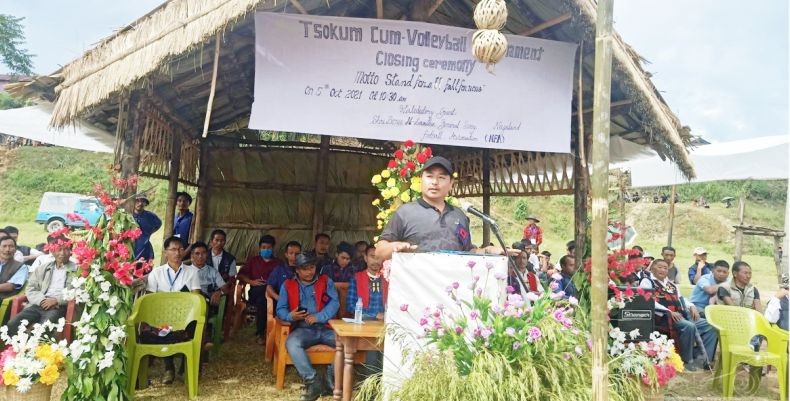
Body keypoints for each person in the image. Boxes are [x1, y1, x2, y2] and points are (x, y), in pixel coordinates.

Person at [376, 156, 510, 260]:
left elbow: (467, 252)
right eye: (429, 176)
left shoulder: (459, 216)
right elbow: (379, 251)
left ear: (451, 183)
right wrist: (393, 247)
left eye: (441, 177)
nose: (434, 182)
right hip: (416, 291)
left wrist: (488, 251)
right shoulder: (404, 212)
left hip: (451, 290)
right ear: (421, 179)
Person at [275, 253, 339, 401]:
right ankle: (313, 381)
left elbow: (334, 303)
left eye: (312, 267)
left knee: (346, 343)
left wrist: (319, 317)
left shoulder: (325, 281)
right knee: (292, 342)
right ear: (297, 270)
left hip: (326, 327)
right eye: (305, 269)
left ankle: (331, 378)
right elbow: (280, 309)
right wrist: (291, 316)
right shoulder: (288, 285)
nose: (310, 271)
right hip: (303, 329)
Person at [639, 259, 717, 371]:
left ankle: (703, 359)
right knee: (689, 326)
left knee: (710, 326)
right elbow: (647, 301)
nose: (663, 270)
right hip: (663, 317)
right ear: (652, 268)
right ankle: (687, 360)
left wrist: (691, 306)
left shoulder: (671, 284)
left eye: (665, 268)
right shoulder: (647, 282)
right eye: (660, 267)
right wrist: (668, 311)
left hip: (680, 314)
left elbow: (681, 299)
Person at [146, 236, 202, 384]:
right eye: (173, 249)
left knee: (194, 325)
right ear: (166, 252)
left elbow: (196, 297)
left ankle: (186, 366)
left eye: (181, 249)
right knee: (163, 328)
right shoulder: (156, 273)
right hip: (163, 316)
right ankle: (169, 368)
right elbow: (150, 299)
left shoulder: (192, 272)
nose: (177, 253)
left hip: (186, 315)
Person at [5, 235, 75, 335]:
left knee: (43, 328)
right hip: (38, 304)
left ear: (71, 251)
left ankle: (38, 350)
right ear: (52, 251)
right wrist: (42, 300)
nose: (62, 253)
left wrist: (56, 300)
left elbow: (76, 291)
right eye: (59, 250)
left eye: (66, 249)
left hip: (58, 307)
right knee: (13, 324)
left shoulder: (76, 270)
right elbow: (31, 288)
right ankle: (21, 349)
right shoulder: (43, 268)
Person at [239, 234, 283, 345]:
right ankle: (264, 332)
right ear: (259, 248)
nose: (266, 250)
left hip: (273, 294)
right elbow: (241, 275)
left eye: (268, 248)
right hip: (255, 292)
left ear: (273, 248)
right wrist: (251, 282)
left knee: (263, 300)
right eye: (263, 247)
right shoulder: (253, 261)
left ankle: (260, 333)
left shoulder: (278, 263)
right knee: (262, 294)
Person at [132, 193, 162, 261]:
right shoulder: (129, 215)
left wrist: (149, 233)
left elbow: (159, 224)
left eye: (143, 201)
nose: (140, 203)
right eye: (137, 201)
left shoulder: (150, 216)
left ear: (146, 203)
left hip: (145, 249)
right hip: (131, 248)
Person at [0, 235, 28, 300]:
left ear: (15, 250)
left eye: (11, 246)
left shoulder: (21, 267)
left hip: (4, 300)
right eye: (4, 246)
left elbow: (10, 286)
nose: (7, 250)